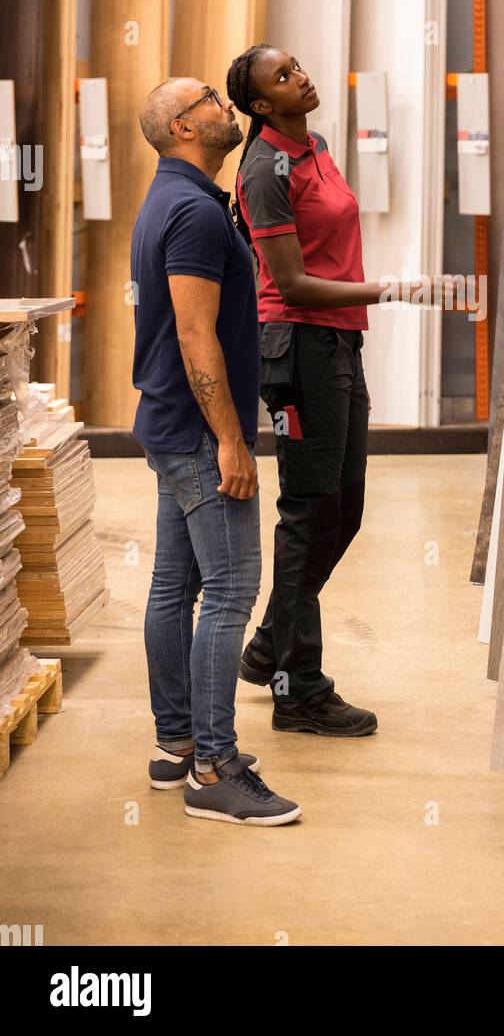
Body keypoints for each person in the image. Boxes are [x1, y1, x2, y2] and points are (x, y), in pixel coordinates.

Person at [228, 43, 432, 737]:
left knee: (344, 507)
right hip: (297, 346)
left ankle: (267, 645)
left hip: (338, 340)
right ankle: (298, 691)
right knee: (309, 511)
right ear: (260, 105)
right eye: (282, 77)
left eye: (296, 66)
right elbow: (289, 283)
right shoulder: (263, 169)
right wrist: (395, 290)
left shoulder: (312, 142)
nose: (301, 77)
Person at [131, 76, 301, 826]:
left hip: (171, 422)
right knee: (231, 590)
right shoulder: (195, 212)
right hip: (201, 432)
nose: (221, 103)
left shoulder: (175, 199)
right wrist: (231, 439)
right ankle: (212, 767)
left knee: (175, 586)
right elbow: (197, 335)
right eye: (207, 97)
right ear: (181, 127)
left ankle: (177, 744)